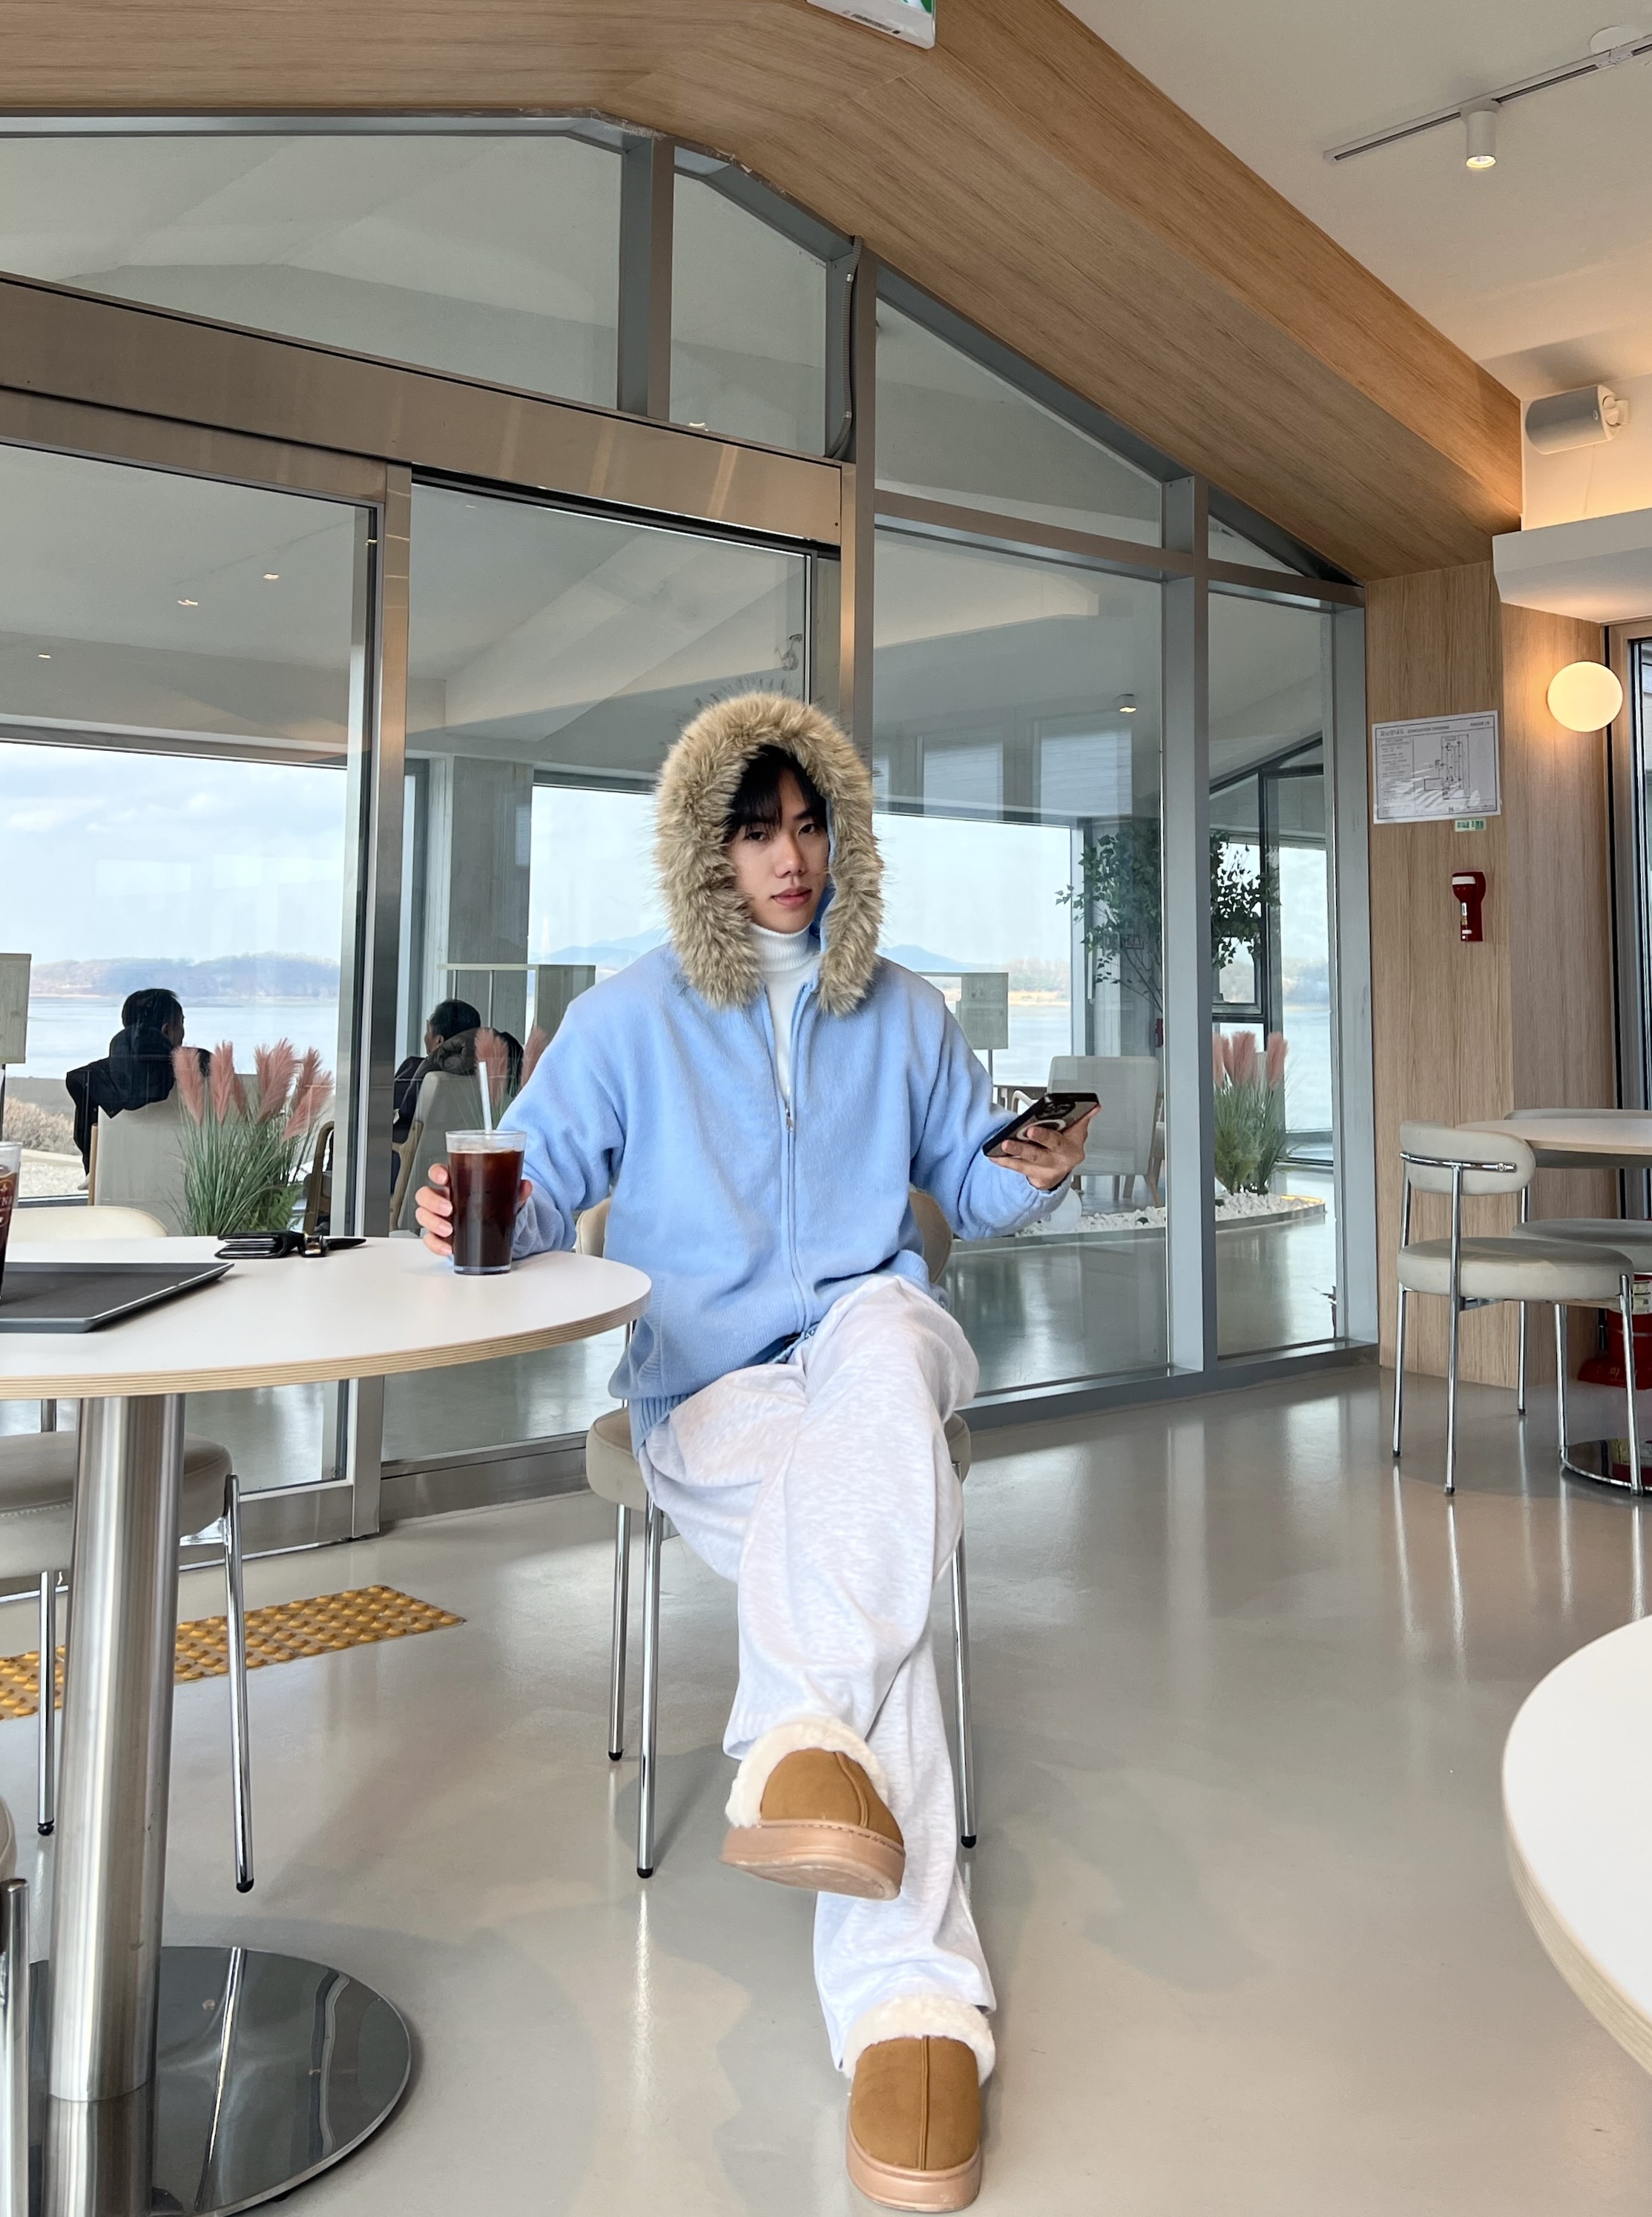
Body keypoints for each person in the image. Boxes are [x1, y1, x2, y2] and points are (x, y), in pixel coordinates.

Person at [414, 694, 1092, 2211]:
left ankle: (800, 1746)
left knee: (896, 1341)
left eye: (809, 826)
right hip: (709, 1383)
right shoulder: (626, 1019)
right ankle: (913, 2000)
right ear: (704, 852)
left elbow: (963, 1188)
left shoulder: (904, 1013)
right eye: (756, 832)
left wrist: (1029, 1169)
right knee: (854, 1502)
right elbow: (538, 1185)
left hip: (862, 1340)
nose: (790, 859)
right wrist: (469, 1215)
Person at [65, 987, 201, 1168]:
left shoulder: (95, 1080)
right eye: (181, 1024)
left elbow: (89, 1152)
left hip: (110, 1180)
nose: (184, 1033)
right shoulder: (200, 1074)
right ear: (167, 1030)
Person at [392, 998, 487, 1144]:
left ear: (439, 1041)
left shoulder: (415, 1070)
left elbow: (400, 1127)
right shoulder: (485, 1076)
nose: (425, 1037)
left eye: (428, 1030)